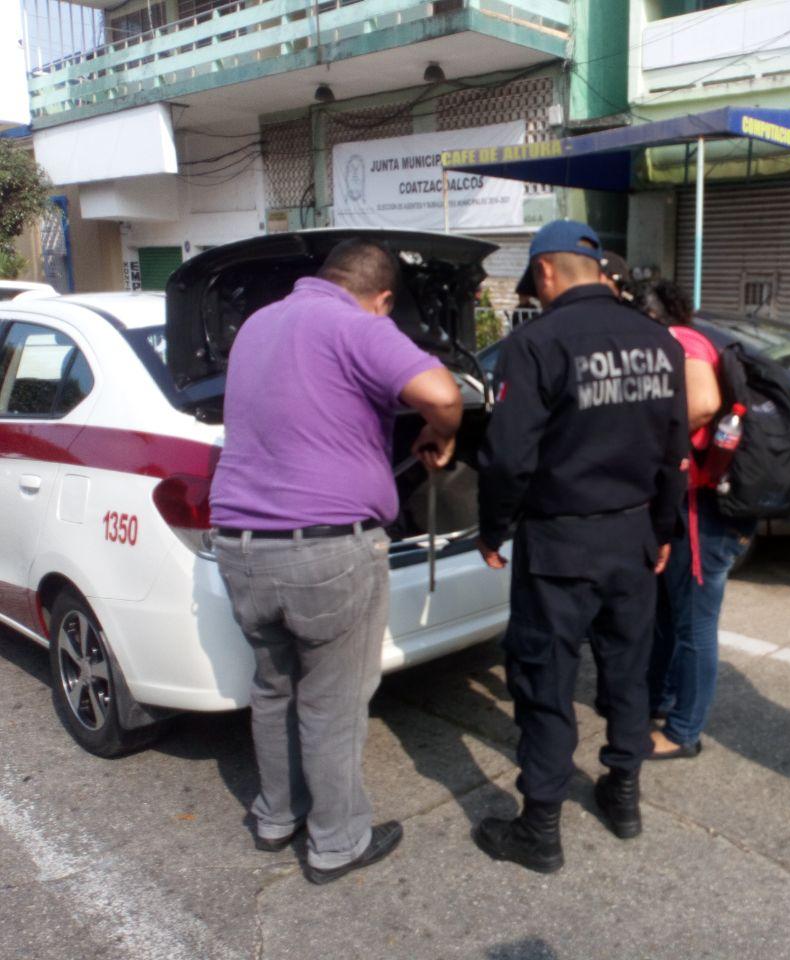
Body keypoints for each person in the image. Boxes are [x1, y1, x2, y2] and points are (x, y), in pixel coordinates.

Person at [211, 239, 462, 885]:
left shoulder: (258, 325)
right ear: (381, 299)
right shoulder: (355, 323)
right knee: (332, 703)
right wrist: (444, 429)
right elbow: (440, 390)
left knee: (273, 690)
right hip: (325, 552)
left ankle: (276, 817)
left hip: (239, 547)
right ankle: (336, 843)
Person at [473, 220, 689, 874]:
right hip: (632, 537)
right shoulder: (658, 340)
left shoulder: (534, 344)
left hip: (560, 541)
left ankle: (540, 828)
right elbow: (675, 453)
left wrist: (493, 529)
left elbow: (508, 459)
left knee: (545, 678)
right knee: (627, 672)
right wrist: (664, 532)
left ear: (544, 273)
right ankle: (623, 794)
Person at [640, 279, 755, 760]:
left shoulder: (680, 342)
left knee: (694, 626)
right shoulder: (689, 339)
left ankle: (684, 731)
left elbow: (704, 404)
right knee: (670, 616)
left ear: (653, 314)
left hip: (701, 513)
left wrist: (656, 441)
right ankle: (665, 702)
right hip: (690, 509)